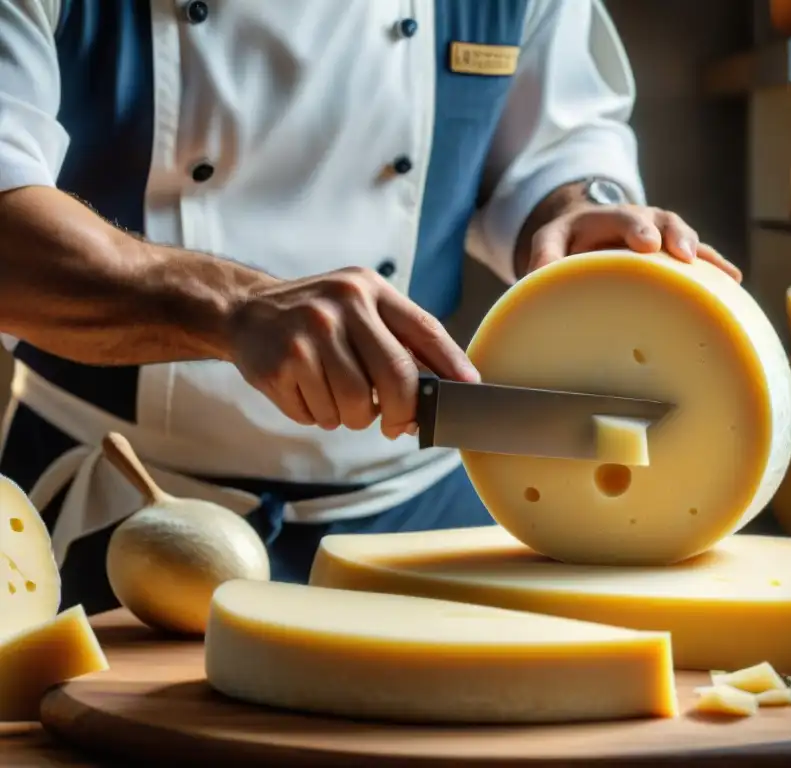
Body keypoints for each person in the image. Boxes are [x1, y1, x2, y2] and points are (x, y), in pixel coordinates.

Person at [0, 0, 741, 614]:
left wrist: (579, 209)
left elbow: (558, 141)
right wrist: (236, 306)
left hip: (426, 526)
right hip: (119, 522)